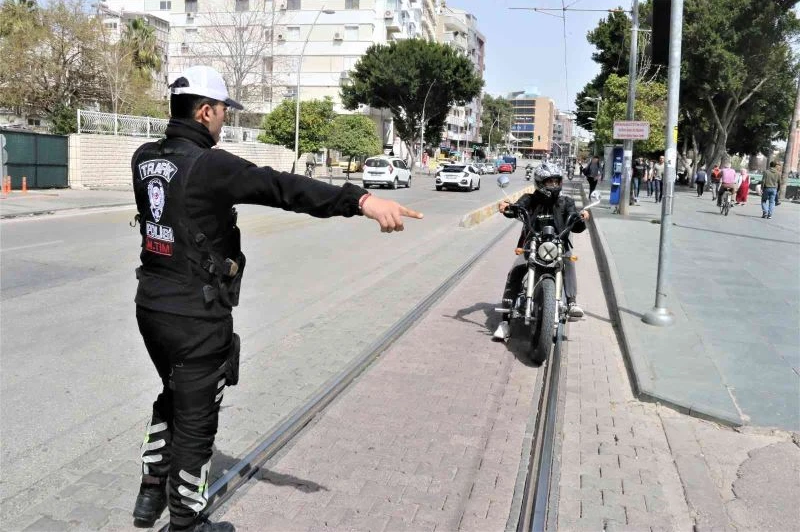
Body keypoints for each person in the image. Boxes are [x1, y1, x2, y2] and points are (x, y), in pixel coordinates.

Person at [130, 66, 423, 532]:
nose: (224, 120)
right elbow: (283, 188)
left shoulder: (144, 157)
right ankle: (186, 523)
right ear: (205, 111)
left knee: (172, 396)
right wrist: (361, 201)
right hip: (195, 315)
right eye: (223, 111)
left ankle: (150, 496)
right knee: (196, 420)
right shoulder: (212, 165)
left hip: (152, 307)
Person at [492, 165, 589, 340]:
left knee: (568, 261)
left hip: (558, 246)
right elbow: (516, 208)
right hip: (532, 245)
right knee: (517, 269)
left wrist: (581, 218)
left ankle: (572, 302)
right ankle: (505, 321)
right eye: (549, 181)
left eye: (556, 181)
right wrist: (507, 207)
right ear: (540, 182)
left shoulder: (566, 202)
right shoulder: (529, 199)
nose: (553, 184)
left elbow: (576, 224)